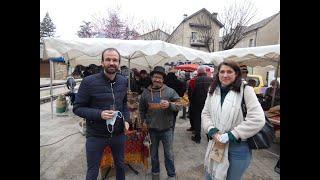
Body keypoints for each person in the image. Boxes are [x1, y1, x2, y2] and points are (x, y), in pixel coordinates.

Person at [201, 60, 265, 180]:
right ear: (218, 74)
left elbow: (257, 118)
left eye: (229, 72)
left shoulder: (245, 90)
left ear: (236, 74)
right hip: (216, 143)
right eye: (222, 72)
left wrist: (232, 134)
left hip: (238, 148)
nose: (225, 75)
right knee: (210, 176)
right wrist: (212, 130)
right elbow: (205, 113)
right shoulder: (213, 90)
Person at [73, 48, 130, 180]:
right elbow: (77, 108)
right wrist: (99, 114)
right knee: (93, 170)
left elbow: (124, 104)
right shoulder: (89, 82)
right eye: (108, 59)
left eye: (115, 60)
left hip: (118, 134)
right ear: (102, 62)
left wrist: (126, 120)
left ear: (119, 63)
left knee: (120, 166)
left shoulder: (123, 81)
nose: (111, 63)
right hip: (96, 135)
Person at [139, 66, 181, 180]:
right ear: (152, 78)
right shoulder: (146, 93)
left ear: (163, 79)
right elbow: (142, 109)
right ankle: (155, 174)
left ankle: (171, 175)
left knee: (169, 155)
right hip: (152, 130)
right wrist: (142, 122)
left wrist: (170, 105)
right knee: (153, 155)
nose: (157, 79)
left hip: (167, 129)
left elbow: (180, 105)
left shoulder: (170, 91)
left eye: (160, 78)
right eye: (155, 77)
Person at [190, 66, 213, 144]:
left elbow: (191, 93)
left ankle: (197, 137)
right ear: (205, 72)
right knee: (209, 119)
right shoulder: (211, 80)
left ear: (198, 72)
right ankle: (209, 137)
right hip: (209, 103)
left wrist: (191, 102)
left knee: (197, 120)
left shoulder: (193, 80)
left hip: (197, 103)